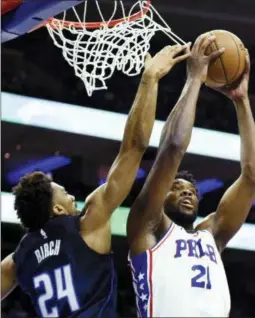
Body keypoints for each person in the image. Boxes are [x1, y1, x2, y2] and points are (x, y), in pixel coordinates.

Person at [1, 44, 191, 318]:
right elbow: (134, 148)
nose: (72, 199)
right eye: (65, 194)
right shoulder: (87, 223)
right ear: (57, 210)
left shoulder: (19, 260)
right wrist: (150, 79)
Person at [127, 33, 255, 317]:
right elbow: (174, 147)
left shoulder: (211, 234)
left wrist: (241, 100)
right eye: (176, 187)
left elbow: (253, 177)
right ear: (159, 193)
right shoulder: (146, 226)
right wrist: (194, 80)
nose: (187, 192)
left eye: (192, 189)